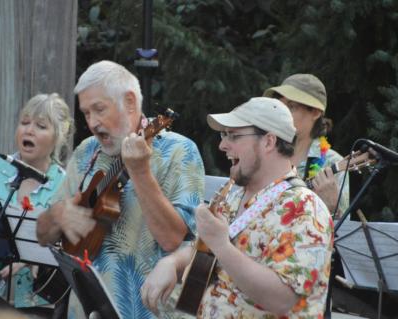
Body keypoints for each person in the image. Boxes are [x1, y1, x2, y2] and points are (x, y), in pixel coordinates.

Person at [36, 60, 205, 318]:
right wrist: (58, 214)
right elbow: (42, 234)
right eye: (86, 113)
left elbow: (172, 239)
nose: (92, 122)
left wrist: (140, 172)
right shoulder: (86, 151)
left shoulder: (179, 151)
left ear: (129, 102)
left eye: (99, 109)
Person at [141, 97, 333, 318]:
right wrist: (172, 262)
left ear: (269, 142)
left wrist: (222, 246)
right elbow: (203, 249)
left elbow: (282, 299)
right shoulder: (233, 193)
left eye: (234, 135)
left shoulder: (305, 208)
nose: (222, 145)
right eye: (224, 135)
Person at [0, 93, 74, 309]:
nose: (29, 130)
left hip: (35, 305)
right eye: (24, 123)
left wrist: (36, 256)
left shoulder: (66, 187)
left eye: (40, 126)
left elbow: (72, 253)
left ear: (58, 137)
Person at [264, 74, 349, 219]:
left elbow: (343, 233)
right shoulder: (266, 151)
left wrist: (331, 207)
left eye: (291, 107)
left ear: (315, 112)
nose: (282, 113)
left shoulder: (333, 162)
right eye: (280, 106)